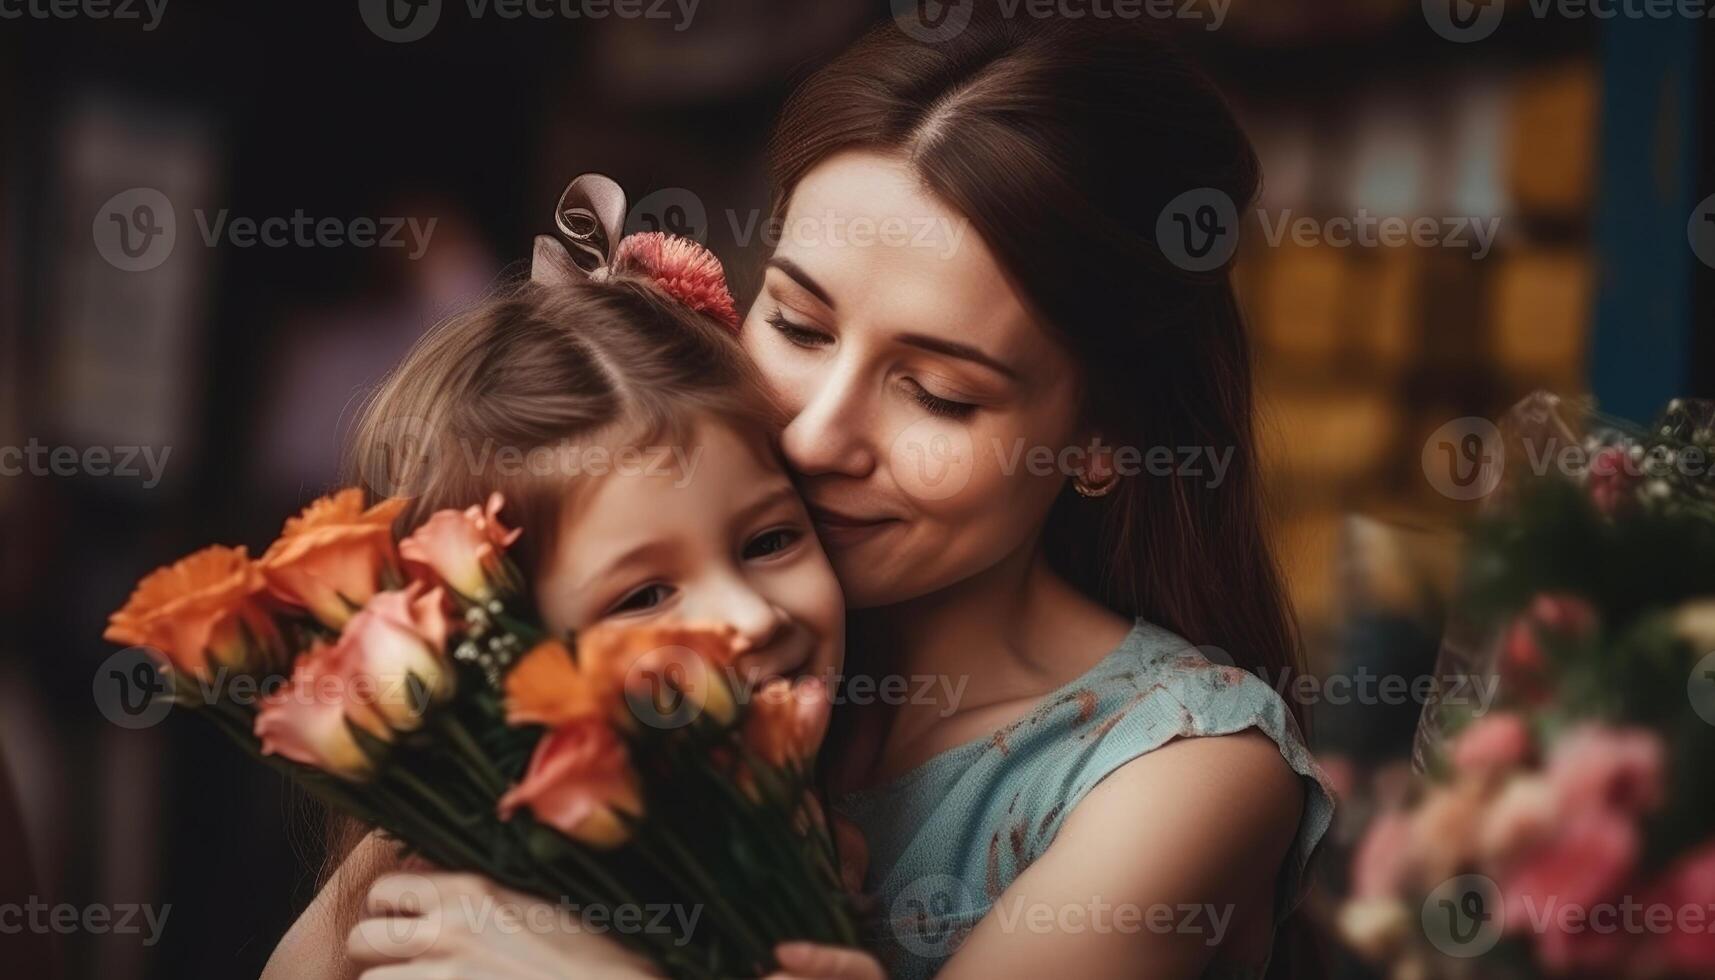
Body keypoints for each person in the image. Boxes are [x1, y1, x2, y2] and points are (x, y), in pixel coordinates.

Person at [348, 12, 1337, 979]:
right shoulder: (649, 660)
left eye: (938, 393)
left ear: (1102, 439)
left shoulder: (1180, 773)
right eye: (800, 326)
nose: (817, 433)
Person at [260, 227, 847, 980]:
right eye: (643, 595)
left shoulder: (799, 840)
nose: (749, 616)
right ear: (500, 667)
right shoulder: (477, 929)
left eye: (769, 541)